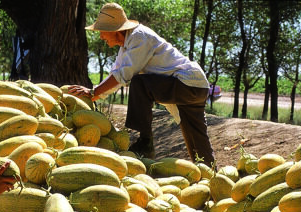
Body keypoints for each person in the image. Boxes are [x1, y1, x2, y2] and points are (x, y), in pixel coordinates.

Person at [69, 2, 215, 166]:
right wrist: (94, 93)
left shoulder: (139, 37)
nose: (101, 37)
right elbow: (115, 74)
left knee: (139, 83)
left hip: (187, 83)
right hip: (196, 87)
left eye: (102, 31)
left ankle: (145, 141)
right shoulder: (126, 47)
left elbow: (124, 74)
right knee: (195, 138)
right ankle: (211, 177)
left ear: (114, 30)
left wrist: (93, 93)